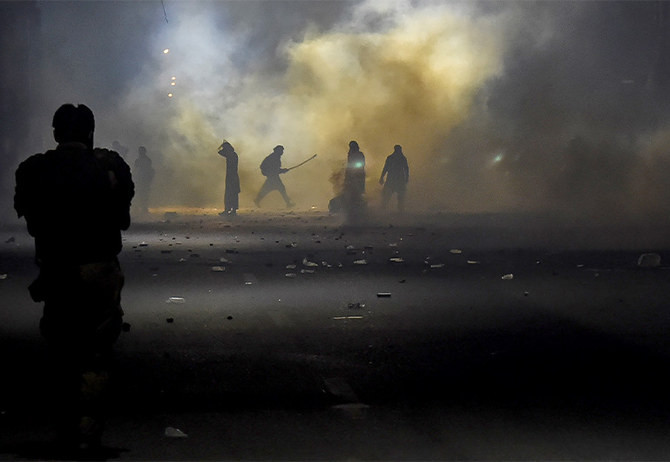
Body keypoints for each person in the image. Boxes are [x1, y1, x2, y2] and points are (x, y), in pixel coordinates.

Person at [14, 103, 134, 454]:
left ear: (55, 133)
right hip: (98, 267)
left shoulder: (34, 169)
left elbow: (31, 219)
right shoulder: (109, 167)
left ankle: (65, 426)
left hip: (57, 269)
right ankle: (86, 430)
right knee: (96, 351)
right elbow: (122, 220)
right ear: (90, 131)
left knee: (61, 345)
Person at [379, 144, 409, 211]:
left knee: (388, 195)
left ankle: (384, 208)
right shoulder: (401, 158)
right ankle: (399, 210)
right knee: (395, 195)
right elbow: (406, 169)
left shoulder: (392, 158)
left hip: (393, 178)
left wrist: (382, 177)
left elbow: (385, 168)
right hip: (397, 178)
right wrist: (406, 178)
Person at [218, 140, 240, 216]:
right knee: (233, 193)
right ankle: (233, 210)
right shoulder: (234, 154)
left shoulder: (230, 155)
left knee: (229, 193)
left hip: (231, 176)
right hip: (233, 175)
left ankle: (228, 210)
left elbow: (219, 152)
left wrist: (221, 146)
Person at [133, 145, 154, 217]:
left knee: (144, 195)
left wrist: (149, 179)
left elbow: (150, 170)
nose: (140, 153)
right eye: (140, 151)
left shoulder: (146, 160)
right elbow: (135, 170)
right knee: (139, 194)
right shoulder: (139, 160)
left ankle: (144, 209)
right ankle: (138, 209)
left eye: (141, 151)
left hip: (144, 180)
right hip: (140, 180)